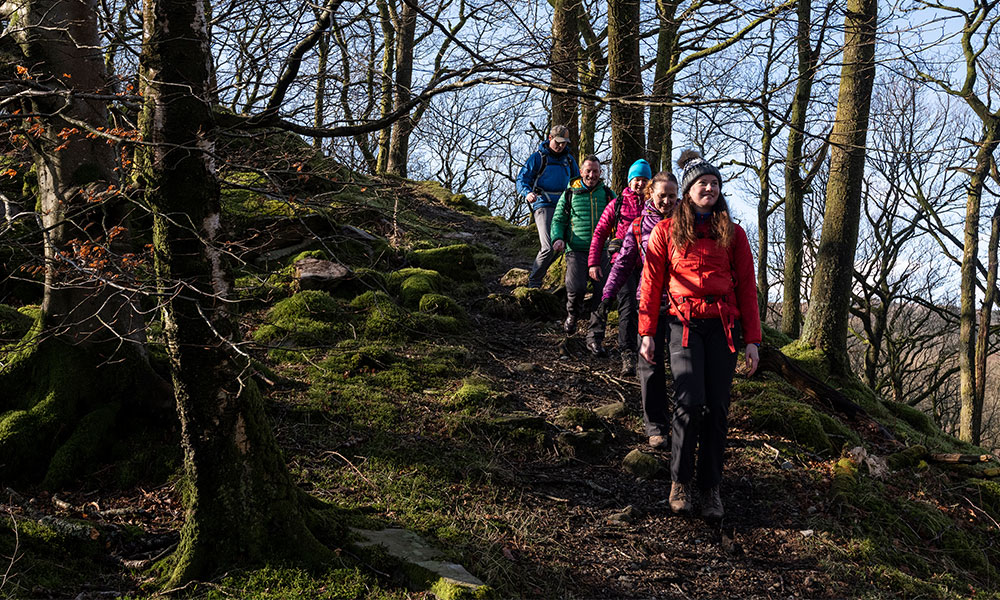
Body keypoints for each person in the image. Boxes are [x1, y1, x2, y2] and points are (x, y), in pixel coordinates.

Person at [637, 151, 761, 520]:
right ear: (688, 190)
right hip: (683, 326)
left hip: (723, 328)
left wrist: (752, 340)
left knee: (718, 410)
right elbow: (650, 284)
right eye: (702, 183)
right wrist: (646, 333)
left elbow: (748, 290)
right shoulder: (665, 231)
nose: (710, 188)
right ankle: (680, 481)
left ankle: (710, 488)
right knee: (689, 403)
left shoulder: (734, 234)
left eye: (715, 183)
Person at [602, 171, 678, 449]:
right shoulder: (637, 226)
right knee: (650, 365)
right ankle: (656, 426)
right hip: (650, 303)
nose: (667, 201)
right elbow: (623, 262)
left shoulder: (689, 222)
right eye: (662, 195)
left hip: (683, 305)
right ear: (651, 195)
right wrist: (607, 292)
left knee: (684, 369)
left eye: (672, 195)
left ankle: (684, 424)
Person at [589, 158, 652, 376]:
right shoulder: (616, 204)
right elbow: (599, 234)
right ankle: (628, 355)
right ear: (629, 180)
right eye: (636, 179)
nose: (640, 184)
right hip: (622, 263)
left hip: (649, 266)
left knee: (646, 307)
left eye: (644, 180)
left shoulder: (656, 204)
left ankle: (647, 351)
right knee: (627, 307)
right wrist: (594, 262)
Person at [551, 155, 616, 356]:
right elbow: (559, 219)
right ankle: (572, 314)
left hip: (602, 250)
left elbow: (620, 218)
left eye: (595, 171)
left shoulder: (607, 194)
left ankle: (594, 338)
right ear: (581, 172)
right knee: (576, 287)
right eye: (588, 171)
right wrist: (557, 239)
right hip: (576, 249)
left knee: (603, 293)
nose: (591, 175)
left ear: (600, 173)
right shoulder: (570, 193)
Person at [516, 125, 581, 288]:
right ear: (550, 139)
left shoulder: (569, 160)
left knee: (567, 245)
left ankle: (563, 282)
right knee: (548, 246)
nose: (561, 146)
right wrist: (527, 193)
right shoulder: (538, 158)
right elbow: (521, 179)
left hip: (565, 205)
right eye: (558, 142)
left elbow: (577, 181)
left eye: (564, 143)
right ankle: (534, 281)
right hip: (543, 204)